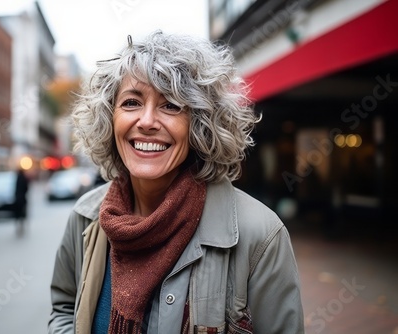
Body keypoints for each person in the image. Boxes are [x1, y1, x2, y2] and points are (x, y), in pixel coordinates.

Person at [48, 31, 304, 334]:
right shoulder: (85, 217)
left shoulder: (260, 236)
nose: (146, 121)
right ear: (110, 118)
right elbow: (65, 307)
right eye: (131, 102)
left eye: (170, 105)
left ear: (199, 124)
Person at [14, 167, 30, 236]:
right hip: (22, 198)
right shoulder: (23, 178)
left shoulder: (17, 178)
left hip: (18, 198)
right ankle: (21, 223)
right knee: (22, 212)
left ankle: (18, 223)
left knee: (18, 212)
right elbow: (26, 188)